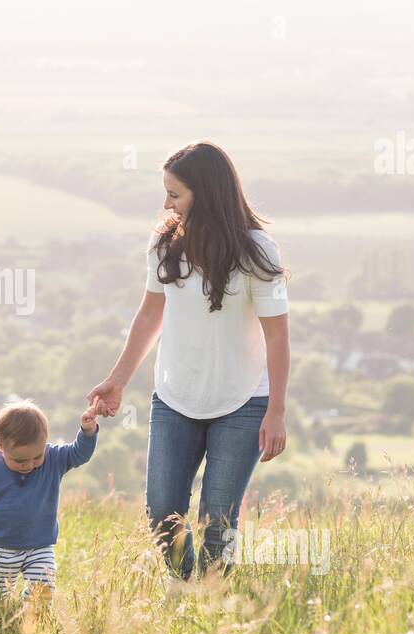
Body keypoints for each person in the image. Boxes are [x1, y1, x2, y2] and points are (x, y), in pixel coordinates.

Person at [88, 141, 290, 579]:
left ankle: (213, 603)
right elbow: (148, 314)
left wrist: (276, 411)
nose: (166, 204)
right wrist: (118, 379)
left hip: (243, 402)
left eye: (175, 194)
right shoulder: (164, 243)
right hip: (175, 398)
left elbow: (277, 335)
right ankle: (187, 592)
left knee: (217, 521)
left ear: (207, 193)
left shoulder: (257, 251)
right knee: (162, 513)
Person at [0, 399, 101, 603]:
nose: (29, 465)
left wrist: (87, 432)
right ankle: (2, 622)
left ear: (44, 444)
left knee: (42, 592)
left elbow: (79, 453)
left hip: (39, 546)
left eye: (36, 457)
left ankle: (32, 624)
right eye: (19, 460)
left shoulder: (53, 459)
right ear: (0, 447)